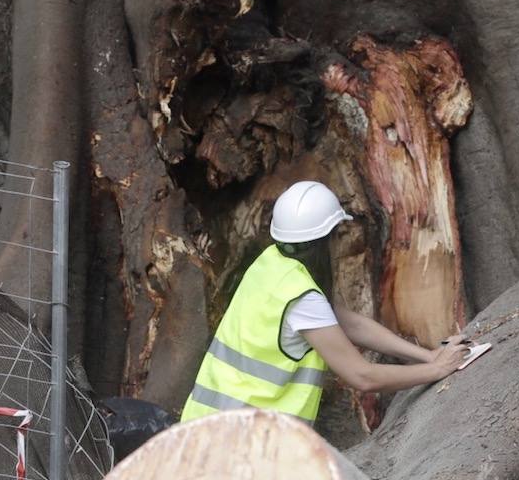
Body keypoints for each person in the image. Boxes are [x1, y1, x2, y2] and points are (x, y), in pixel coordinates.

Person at [181, 180, 469, 424]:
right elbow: (362, 375)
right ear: (326, 238)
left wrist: (429, 356)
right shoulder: (302, 298)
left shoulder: (270, 265)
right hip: (244, 443)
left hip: (206, 425)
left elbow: (350, 324)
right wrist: (436, 371)